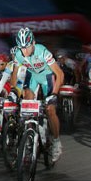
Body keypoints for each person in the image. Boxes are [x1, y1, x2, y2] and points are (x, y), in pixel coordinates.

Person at [12, 27, 64, 163]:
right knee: (27, 103)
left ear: (33, 43)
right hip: (33, 76)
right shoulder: (18, 54)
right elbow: (16, 75)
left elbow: (59, 74)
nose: (25, 51)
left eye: (27, 47)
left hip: (46, 76)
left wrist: (54, 94)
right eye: (21, 48)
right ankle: (29, 136)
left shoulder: (42, 51)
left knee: (50, 109)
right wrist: (15, 90)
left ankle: (57, 142)